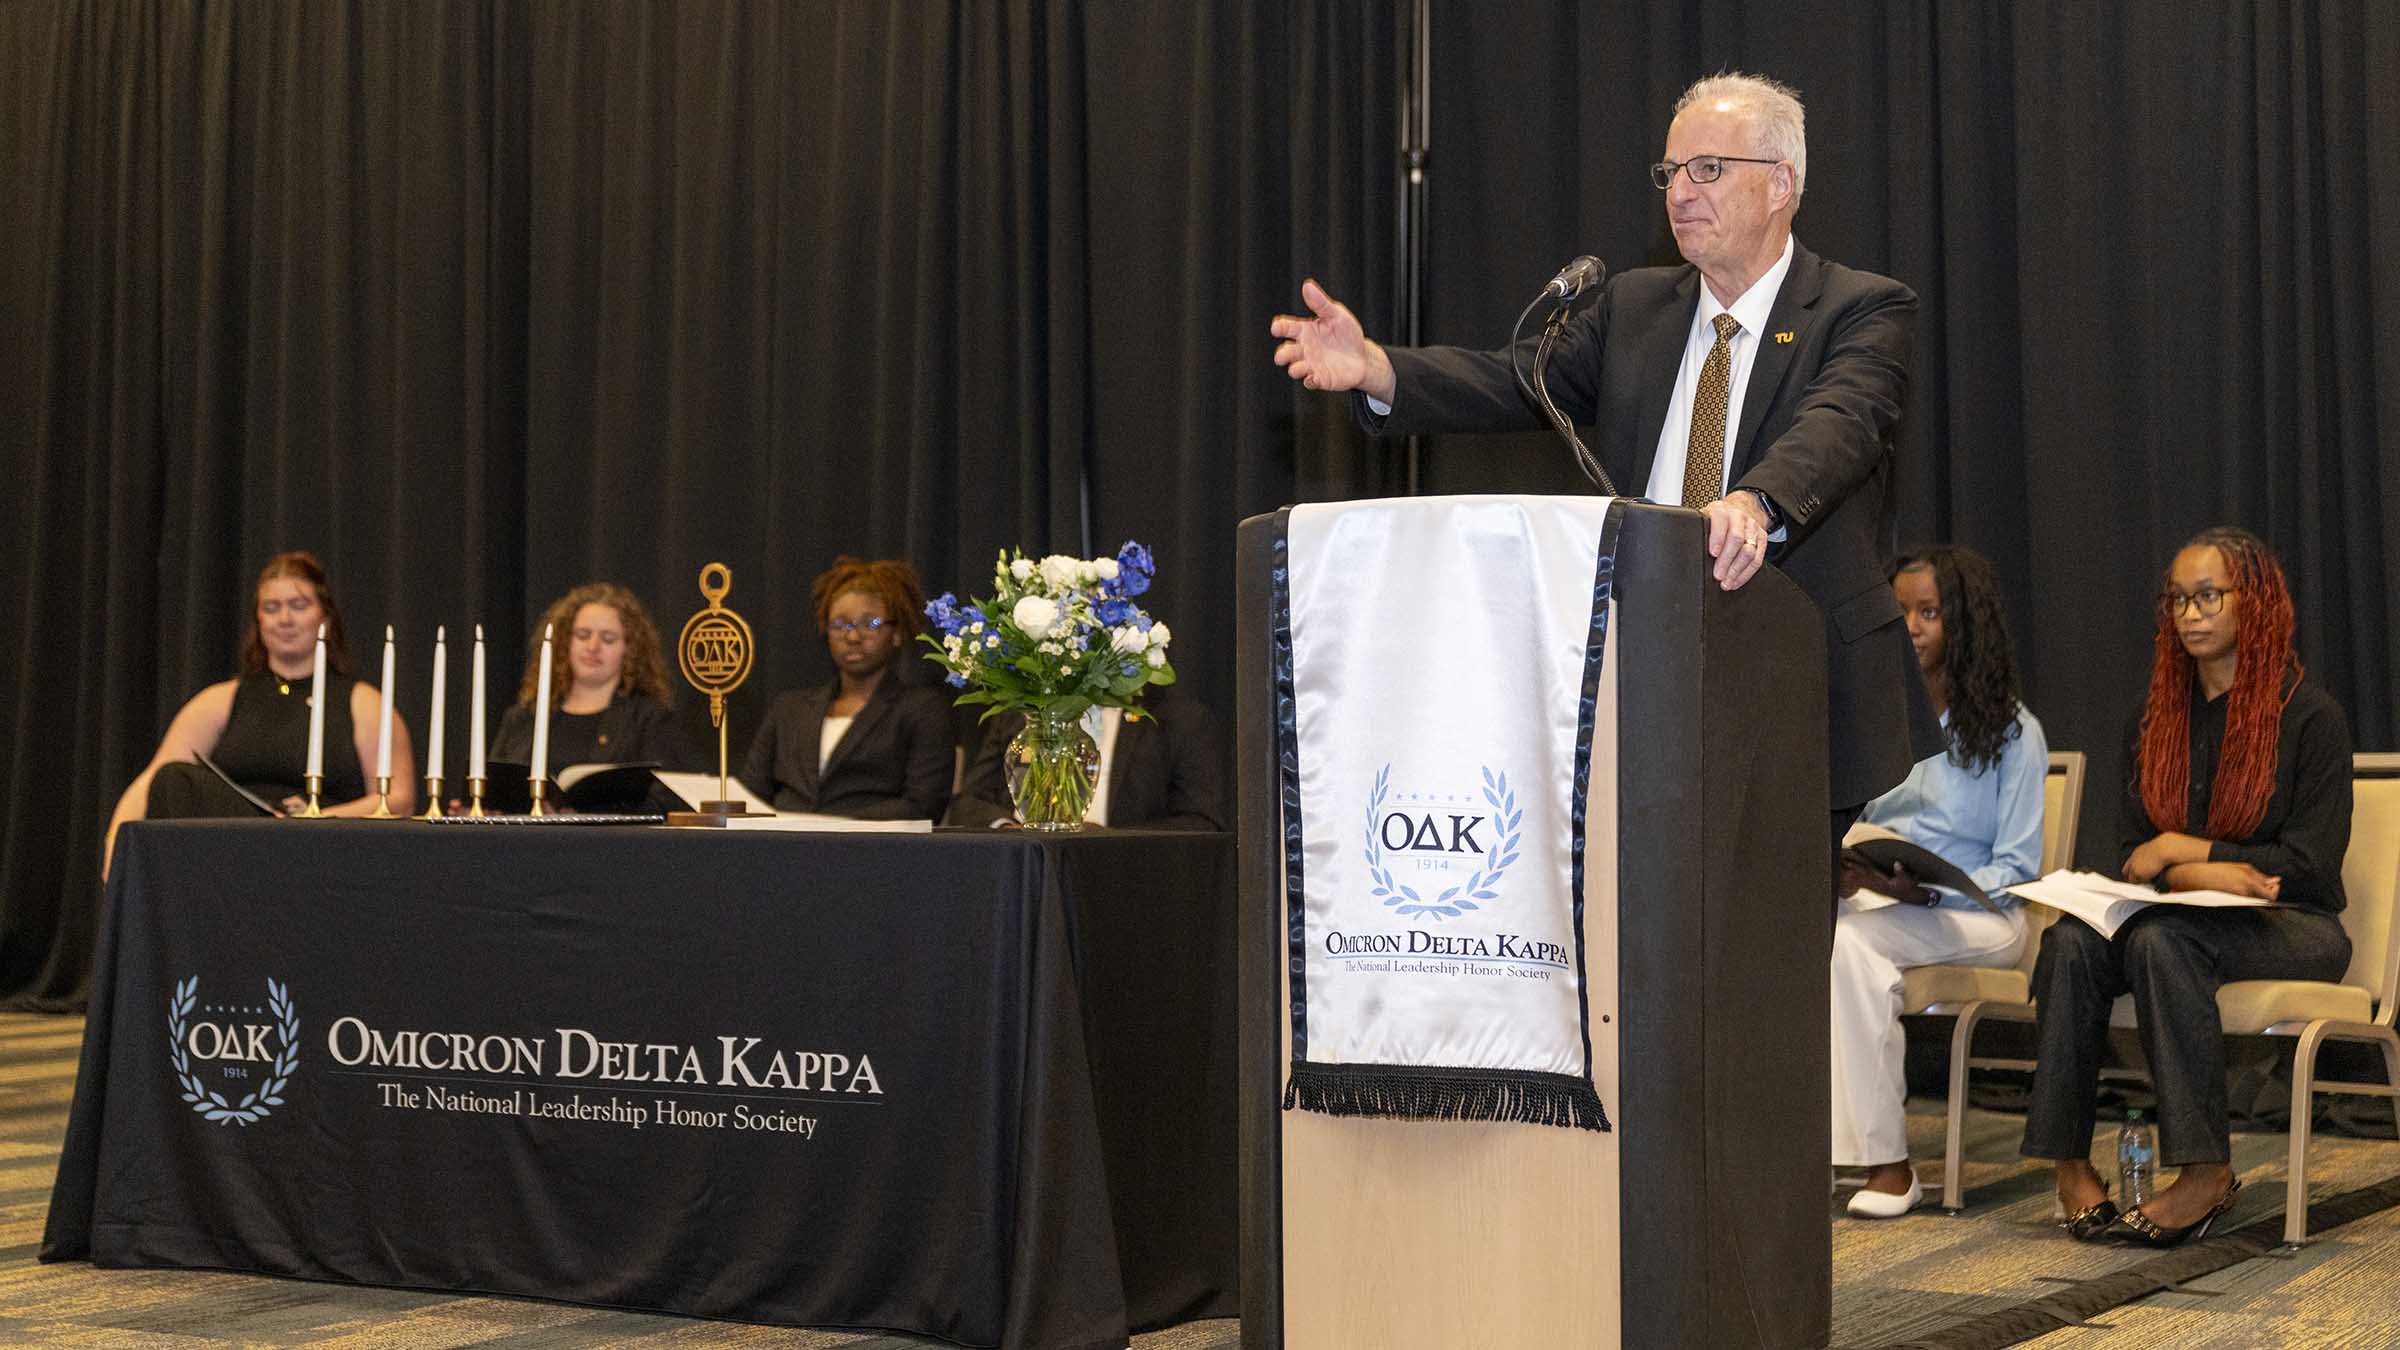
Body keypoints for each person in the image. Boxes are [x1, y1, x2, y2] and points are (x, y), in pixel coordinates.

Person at [1269, 70, 1940, 861]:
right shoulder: (1635, 308)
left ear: (1781, 183)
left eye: (1708, 169)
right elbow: (1516, 380)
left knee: (1765, 959)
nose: (1681, 192)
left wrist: (1754, 504)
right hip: (1640, 668)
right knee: (1638, 943)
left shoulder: (1860, 308)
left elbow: (1841, 425)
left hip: (1792, 682)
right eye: (1670, 172)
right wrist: (1381, 369)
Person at [2023, 526, 2352, 1246]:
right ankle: (2070, 1163)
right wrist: (2194, 867)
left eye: (2209, 596)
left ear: (2256, 603)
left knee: (2162, 943)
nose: (2191, 614)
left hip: (2294, 928)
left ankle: (2205, 1171)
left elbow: (2307, 866)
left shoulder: (2309, 718)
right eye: (2178, 600)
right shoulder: (2154, 722)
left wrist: (2185, 851)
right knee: (2074, 941)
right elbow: (2132, 858)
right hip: (2175, 919)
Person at [1832, 546, 2047, 1217]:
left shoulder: (2013, 732)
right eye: (1901, 614)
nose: (1913, 627)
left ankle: (1889, 1167)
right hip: (1889, 901)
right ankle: (1814, 1151)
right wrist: (1849, 871)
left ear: (1964, 625)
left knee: (1850, 949)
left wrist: (1928, 889)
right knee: (1812, 933)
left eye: (1929, 612)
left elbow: (2016, 870)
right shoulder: (1879, 722)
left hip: (1986, 916)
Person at [104, 552, 415, 876]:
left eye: (298, 605)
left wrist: (313, 817)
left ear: (325, 616)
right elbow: (155, 777)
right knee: (176, 780)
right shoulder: (219, 701)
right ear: (259, 621)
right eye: (272, 607)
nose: (285, 619)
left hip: (319, 849)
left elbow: (399, 799)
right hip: (234, 848)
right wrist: (115, 839)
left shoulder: (364, 704)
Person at [741, 557, 954, 820]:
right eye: (840, 625)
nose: (852, 637)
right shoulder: (788, 708)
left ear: (896, 633)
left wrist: (836, 825)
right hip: (784, 848)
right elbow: (751, 796)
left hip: (871, 851)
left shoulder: (922, 709)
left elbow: (924, 804)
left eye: (870, 623)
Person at [491, 583, 693, 811]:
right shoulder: (522, 718)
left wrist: (588, 812)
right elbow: (494, 787)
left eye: (608, 639)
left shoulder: (649, 719)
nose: (593, 646)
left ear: (630, 649)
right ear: (564, 642)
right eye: (583, 635)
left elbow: (668, 800)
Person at [946, 691, 1226, 830]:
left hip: (1125, 880)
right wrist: (1009, 830)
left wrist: (1105, 843)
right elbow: (968, 804)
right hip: (1024, 871)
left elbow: (1202, 822)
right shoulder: (1020, 714)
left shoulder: (1174, 720)